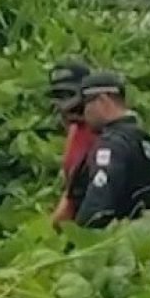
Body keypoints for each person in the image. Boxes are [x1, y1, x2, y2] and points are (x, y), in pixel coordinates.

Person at [73, 71, 150, 228]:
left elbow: (97, 207)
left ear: (103, 100)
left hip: (118, 240)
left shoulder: (111, 143)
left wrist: (76, 239)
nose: (84, 114)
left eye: (85, 105)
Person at [46, 59, 97, 227]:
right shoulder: (74, 131)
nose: (62, 104)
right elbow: (69, 194)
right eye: (57, 96)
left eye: (67, 95)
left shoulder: (105, 131)